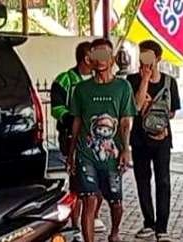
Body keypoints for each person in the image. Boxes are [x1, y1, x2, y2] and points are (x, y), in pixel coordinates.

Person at [67, 38, 137, 242]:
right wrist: (71, 153)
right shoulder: (81, 89)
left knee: (115, 201)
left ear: (113, 58)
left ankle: (114, 233)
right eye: (95, 54)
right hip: (85, 153)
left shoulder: (122, 87)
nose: (100, 59)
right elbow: (77, 121)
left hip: (112, 155)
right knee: (88, 199)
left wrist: (126, 148)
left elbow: (126, 121)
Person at [127, 40, 181, 242]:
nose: (145, 61)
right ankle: (148, 222)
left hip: (162, 140)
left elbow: (173, 111)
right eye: (142, 57)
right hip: (139, 140)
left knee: (163, 181)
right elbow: (135, 107)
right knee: (142, 181)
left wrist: (155, 110)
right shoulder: (132, 80)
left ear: (158, 58)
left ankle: (162, 227)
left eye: (149, 57)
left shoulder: (170, 82)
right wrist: (145, 80)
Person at [50, 41, 106, 233]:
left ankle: (92, 217)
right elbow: (56, 109)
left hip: (96, 141)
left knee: (97, 182)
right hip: (71, 138)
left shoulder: (100, 79)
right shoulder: (64, 80)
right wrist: (74, 120)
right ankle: (75, 225)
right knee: (76, 183)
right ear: (86, 58)